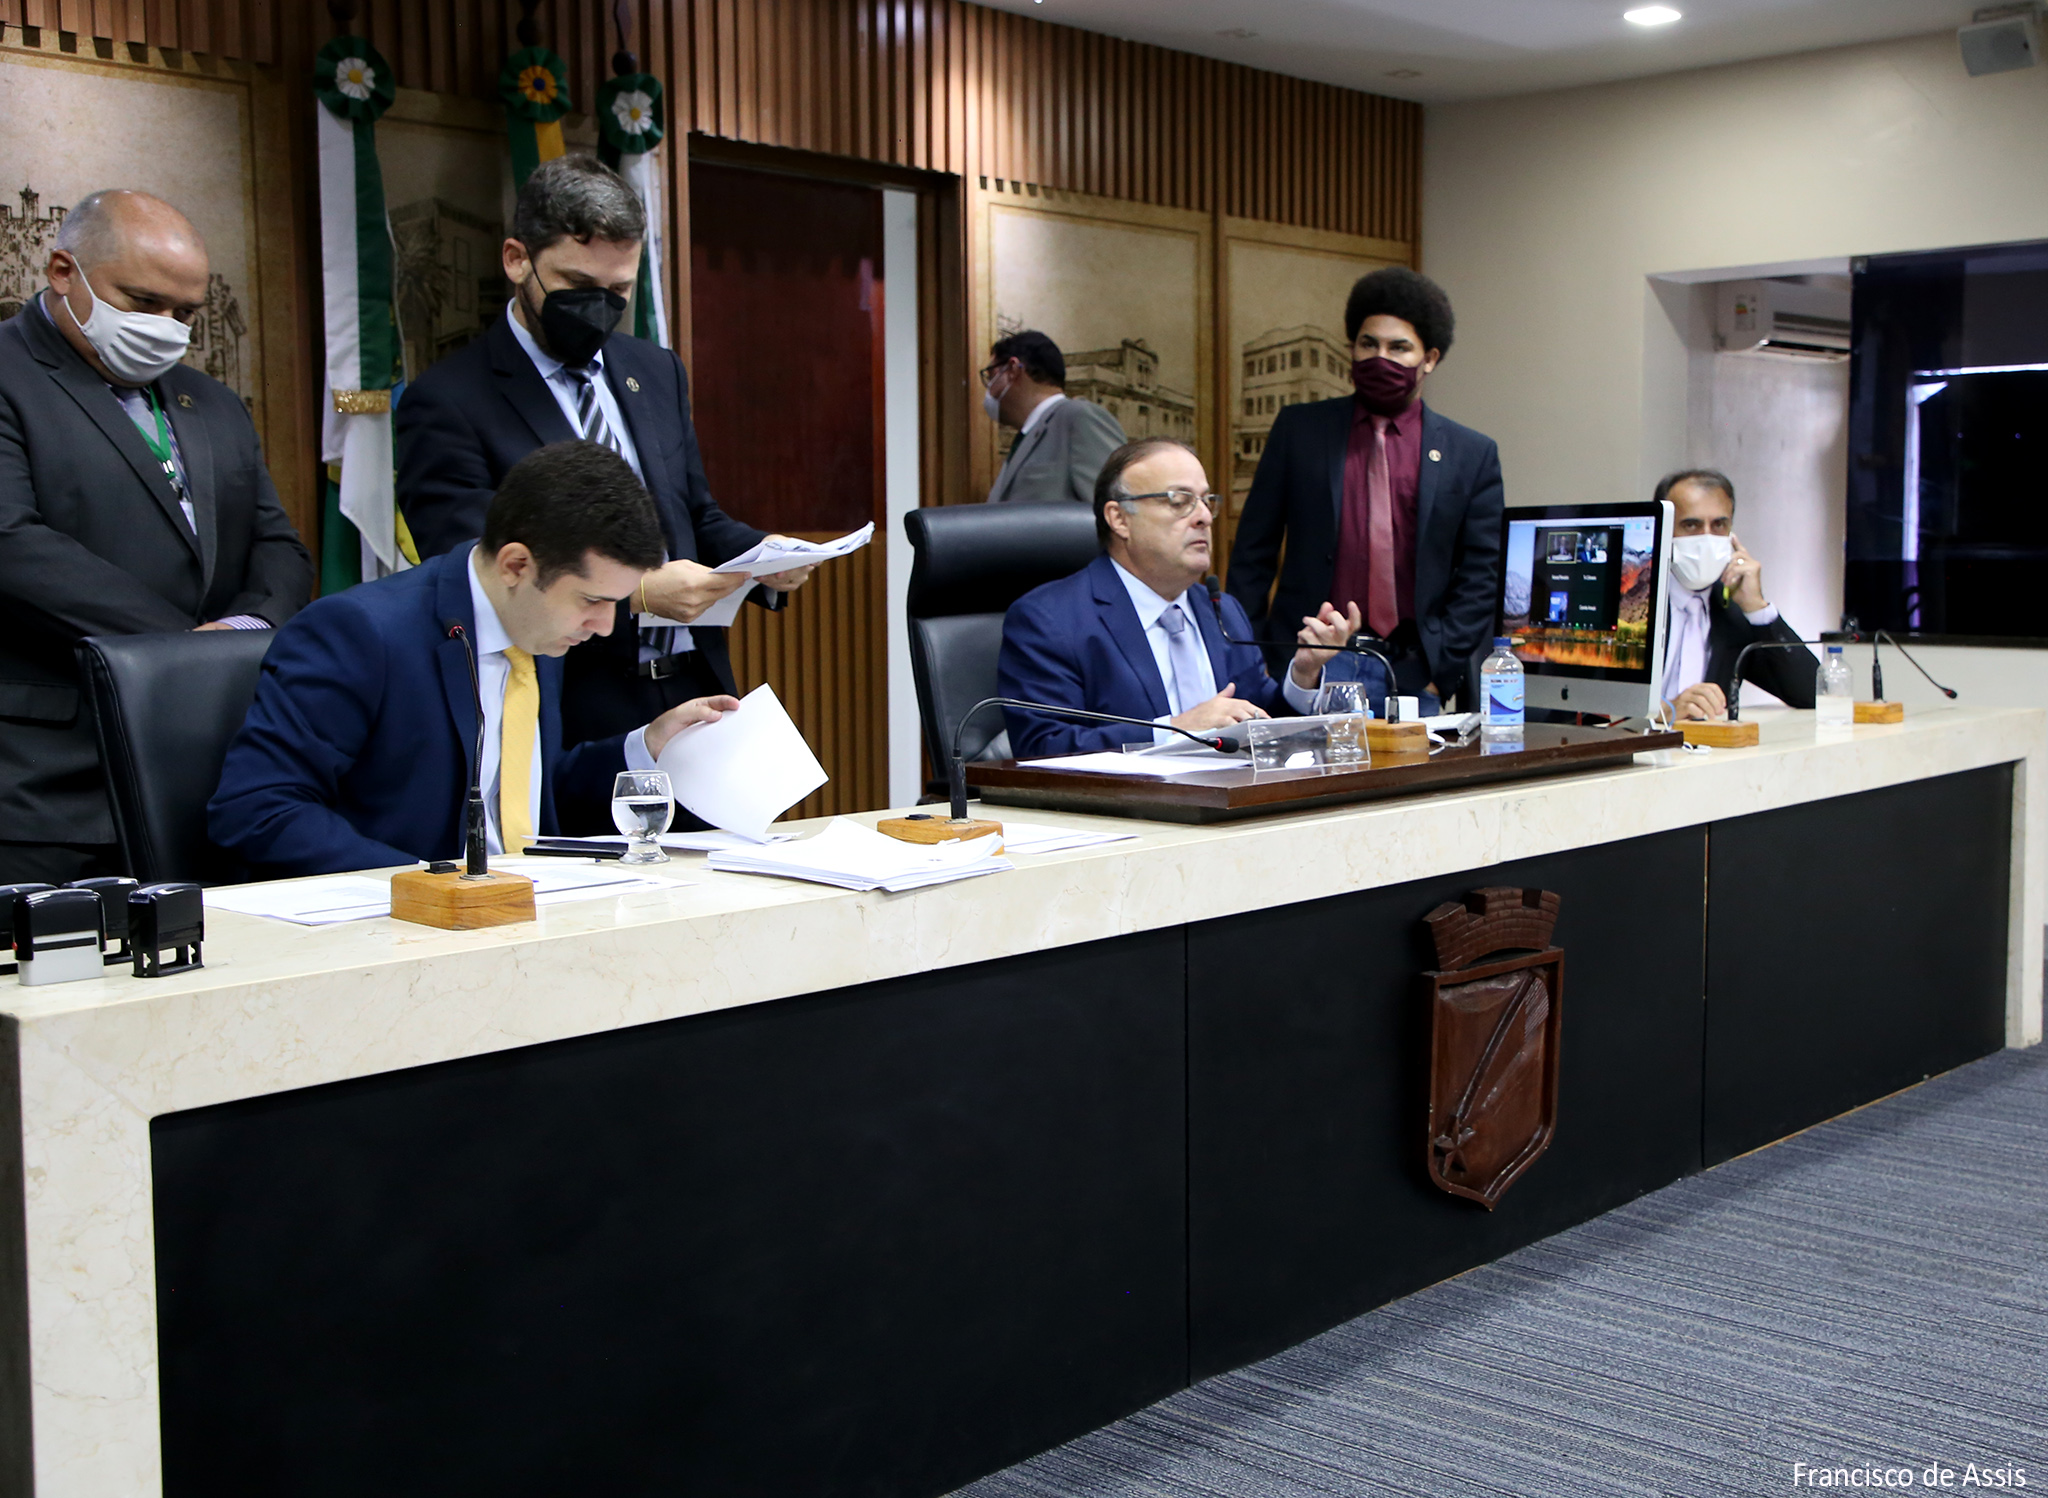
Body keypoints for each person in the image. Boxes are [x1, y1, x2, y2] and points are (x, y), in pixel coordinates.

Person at [395, 155, 811, 827]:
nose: (600, 307)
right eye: (577, 285)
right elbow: (472, 562)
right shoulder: (448, 399)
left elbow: (691, 514)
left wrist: (764, 556)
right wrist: (637, 592)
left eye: (618, 289)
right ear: (516, 260)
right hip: (569, 700)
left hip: (694, 696)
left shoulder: (654, 369)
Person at [210, 442, 736, 879]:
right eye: (592, 601)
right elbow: (256, 809)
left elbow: (523, 795)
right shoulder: (361, 632)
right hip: (401, 932)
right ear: (516, 565)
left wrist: (646, 747)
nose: (604, 626)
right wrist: (427, 884)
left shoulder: (538, 626)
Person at [0, 188, 312, 884]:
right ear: (63, 272)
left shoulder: (213, 403)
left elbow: (279, 547)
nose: (166, 328)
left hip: (205, 774)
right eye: (143, 302)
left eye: (185, 313)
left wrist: (241, 631)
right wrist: (182, 650)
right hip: (46, 788)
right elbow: (13, 543)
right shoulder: (10, 377)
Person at [1226, 267, 1503, 714]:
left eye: (1399, 348)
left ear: (1429, 358)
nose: (1380, 358)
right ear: (1352, 349)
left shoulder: (1471, 454)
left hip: (1411, 673)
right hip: (1308, 665)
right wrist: (1255, 660)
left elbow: (1480, 578)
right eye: (1368, 344)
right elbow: (1252, 556)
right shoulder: (1299, 431)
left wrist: (1440, 672)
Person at [998, 437, 1359, 759]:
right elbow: (1042, 747)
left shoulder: (1222, 611)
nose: (1203, 517)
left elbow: (1260, 723)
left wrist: (1303, 673)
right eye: (1179, 501)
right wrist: (1176, 729)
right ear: (1119, 519)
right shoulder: (1049, 619)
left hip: (1232, 803)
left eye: (1206, 501)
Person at [1655, 468, 1817, 721]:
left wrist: (1757, 608)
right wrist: (1662, 711)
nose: (1707, 538)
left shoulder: (1732, 613)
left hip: (1706, 745)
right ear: (1663, 529)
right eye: (1691, 525)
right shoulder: (1630, 600)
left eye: (1718, 525)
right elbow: (1592, 705)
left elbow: (1810, 693)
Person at [981, 330, 1127, 505]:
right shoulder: (1025, 437)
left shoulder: (1080, 418)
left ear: (1012, 369)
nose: (989, 389)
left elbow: (1115, 510)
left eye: (992, 377)